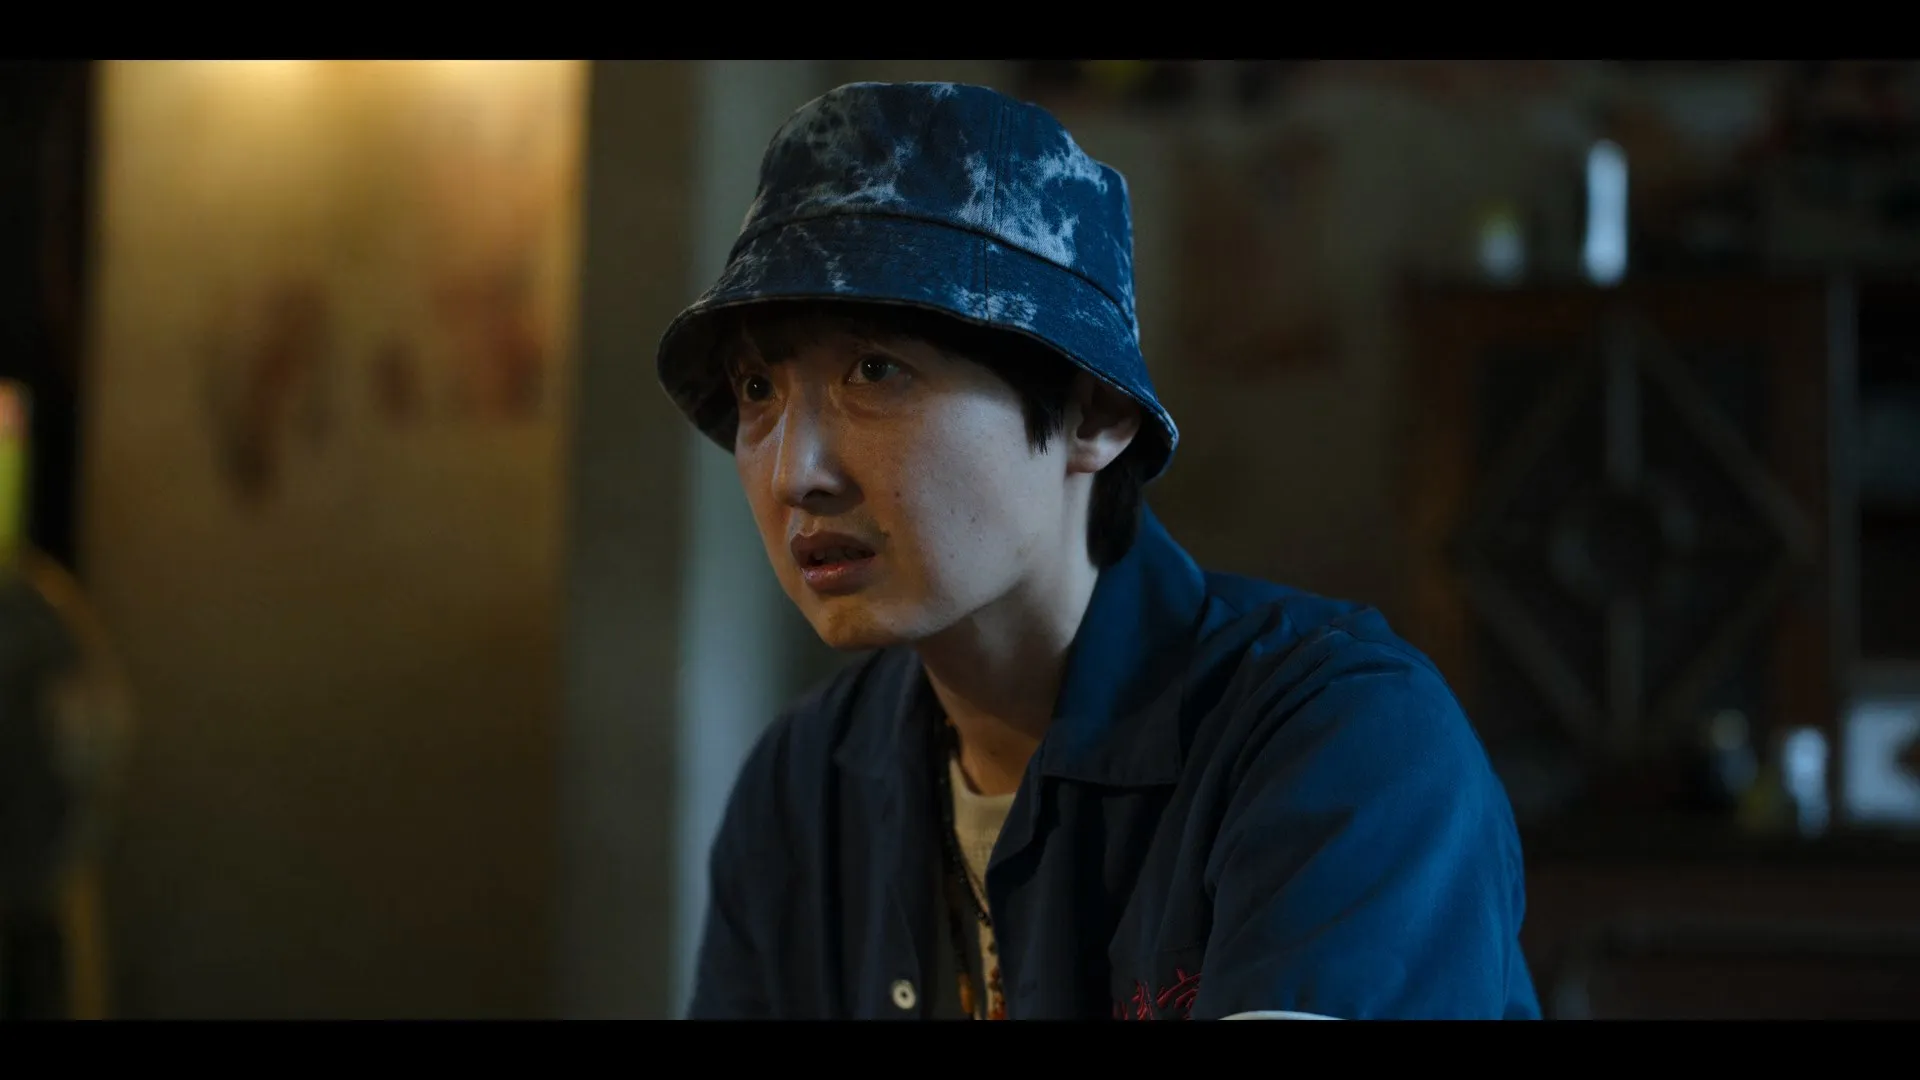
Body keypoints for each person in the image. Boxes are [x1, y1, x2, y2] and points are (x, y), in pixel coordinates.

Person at [655, 80, 1540, 1020]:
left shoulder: (1337, 743)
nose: (795, 473)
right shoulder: (804, 787)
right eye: (757, 389)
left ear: (1095, 413)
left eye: (876, 370)